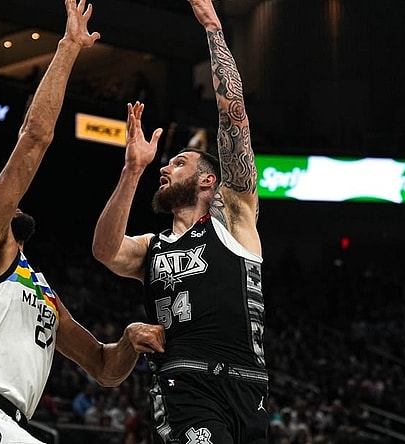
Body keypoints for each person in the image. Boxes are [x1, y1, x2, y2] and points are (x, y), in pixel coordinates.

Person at [0, 1, 165, 443]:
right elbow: (35, 137)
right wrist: (69, 46)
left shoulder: (40, 291)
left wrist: (130, 340)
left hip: (7, 423)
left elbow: (102, 366)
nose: (3, 202)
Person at [91, 0, 269, 442]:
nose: (165, 168)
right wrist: (131, 170)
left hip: (249, 385)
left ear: (208, 180)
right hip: (185, 382)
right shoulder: (152, 248)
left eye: (179, 162)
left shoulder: (235, 218)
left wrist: (212, 27)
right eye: (165, 165)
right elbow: (105, 250)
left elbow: (234, 116)